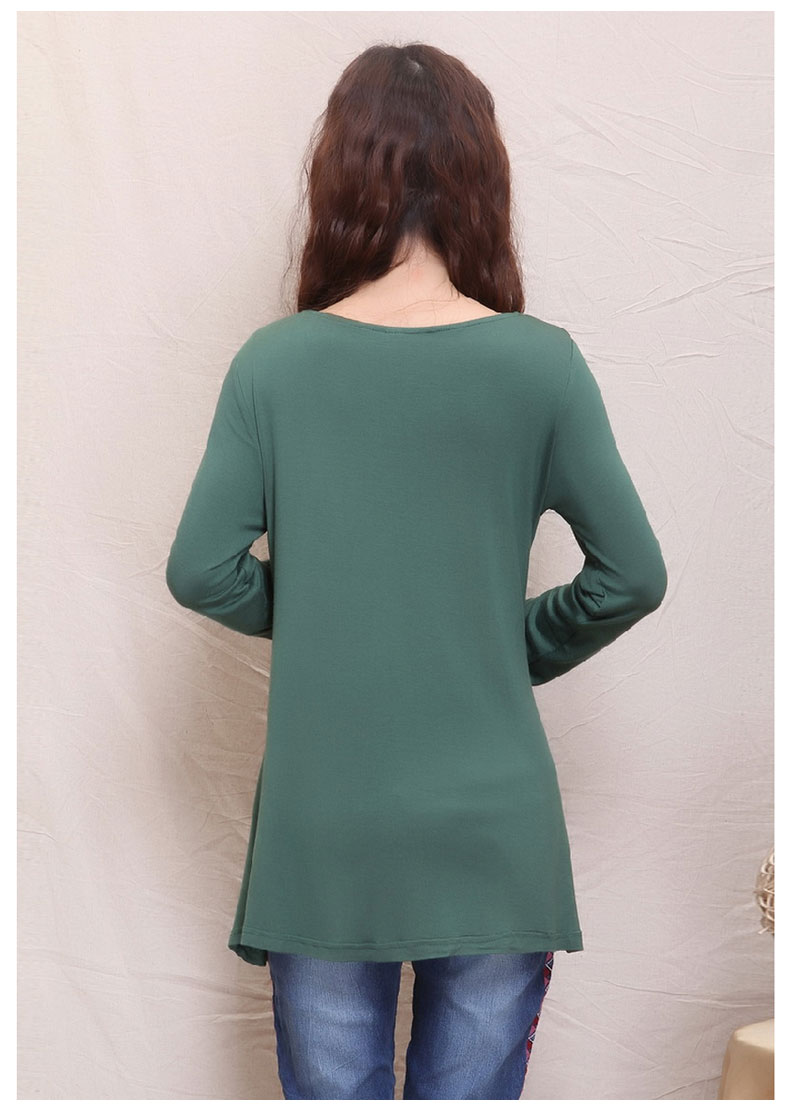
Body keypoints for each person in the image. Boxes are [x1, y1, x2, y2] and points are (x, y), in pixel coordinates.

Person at [165, 41, 668, 1100]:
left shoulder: (275, 365)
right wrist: (498, 640)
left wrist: (330, 615)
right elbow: (630, 575)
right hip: (493, 836)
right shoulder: (540, 364)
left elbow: (202, 569)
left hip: (324, 834)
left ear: (340, 177)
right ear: (482, 178)